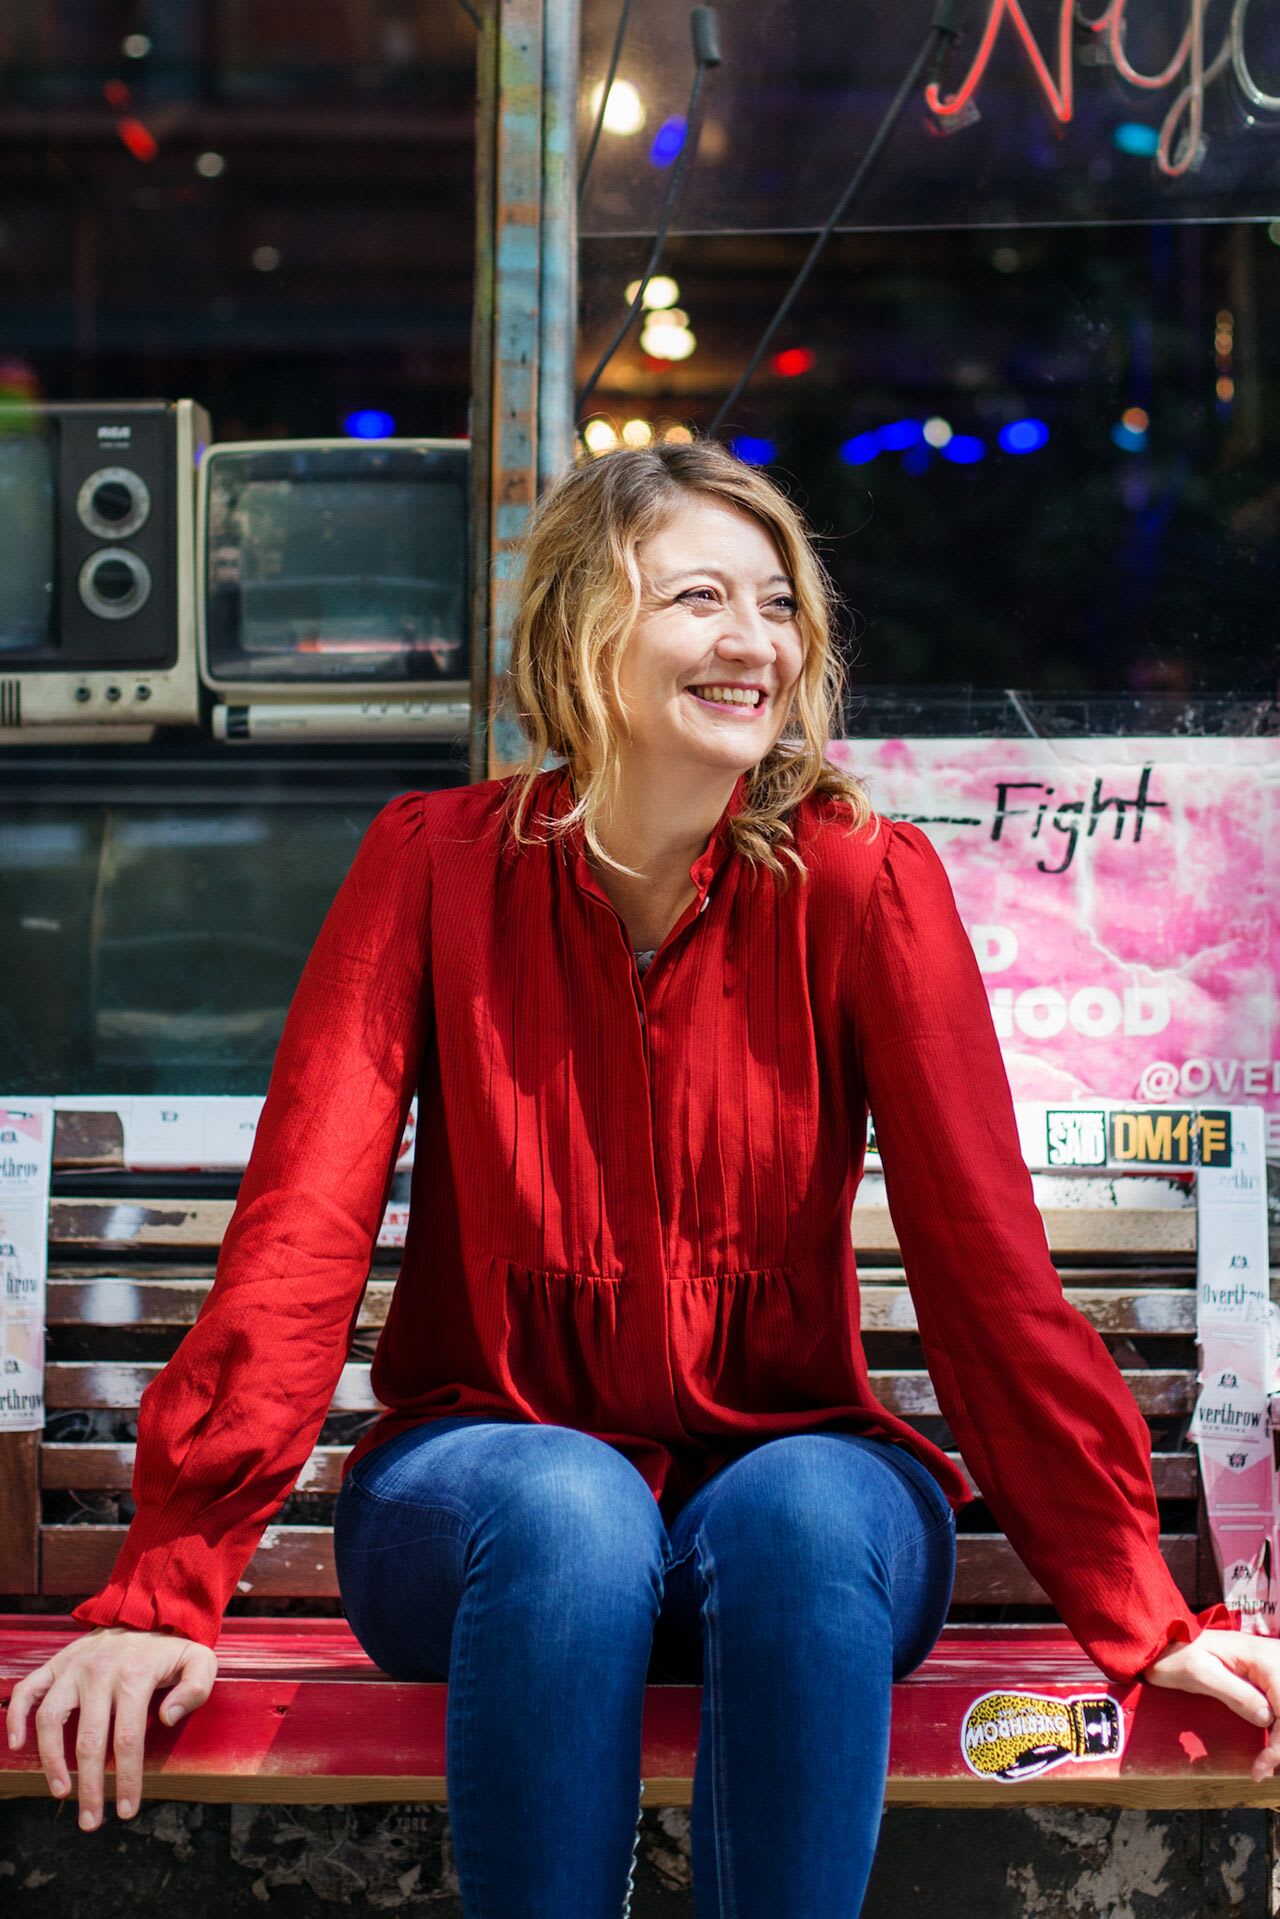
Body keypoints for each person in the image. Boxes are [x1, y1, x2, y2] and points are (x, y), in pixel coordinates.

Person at [7, 438, 1280, 1916]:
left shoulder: (867, 883)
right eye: (698, 598)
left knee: (803, 1509)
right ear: (580, 631)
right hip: (487, 1505)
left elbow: (987, 1272)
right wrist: (163, 1587)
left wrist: (1138, 1605)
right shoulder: (429, 866)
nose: (755, 642)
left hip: (803, 1514)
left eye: (779, 604)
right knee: (570, 1504)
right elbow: (301, 1239)